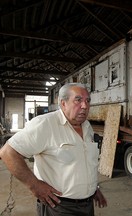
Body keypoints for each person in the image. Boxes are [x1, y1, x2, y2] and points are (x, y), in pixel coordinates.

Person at [0, 83, 107, 216]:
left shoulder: (87, 126)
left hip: (87, 205)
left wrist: (92, 188)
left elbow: (85, 161)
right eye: (78, 100)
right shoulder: (45, 124)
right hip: (58, 207)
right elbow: (8, 153)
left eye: (87, 101)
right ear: (63, 103)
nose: (85, 106)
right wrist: (34, 185)